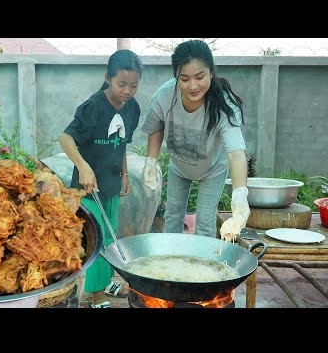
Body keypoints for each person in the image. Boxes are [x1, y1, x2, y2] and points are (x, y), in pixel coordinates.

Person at [141, 39, 250, 241]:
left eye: (200, 77)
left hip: (213, 169)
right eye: (184, 79)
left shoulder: (225, 104)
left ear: (211, 72)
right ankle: (170, 264)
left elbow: (235, 153)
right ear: (175, 77)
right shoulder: (164, 96)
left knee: (204, 223)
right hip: (179, 166)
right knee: (172, 215)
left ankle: (203, 268)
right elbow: (156, 127)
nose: (193, 86)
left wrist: (240, 194)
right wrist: (150, 160)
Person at [59, 49, 143, 308]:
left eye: (133, 85)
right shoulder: (93, 107)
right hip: (88, 189)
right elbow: (65, 138)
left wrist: (125, 174)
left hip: (111, 185)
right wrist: (83, 166)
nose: (127, 91)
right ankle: (95, 297)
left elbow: (122, 143)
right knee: (95, 240)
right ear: (107, 77)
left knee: (110, 236)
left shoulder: (133, 109)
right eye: (121, 84)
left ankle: (105, 285)